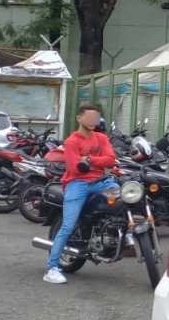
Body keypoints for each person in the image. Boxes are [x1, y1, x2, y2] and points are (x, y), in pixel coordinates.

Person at [44, 104, 118, 284]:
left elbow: (111, 159)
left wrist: (90, 160)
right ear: (80, 118)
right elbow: (76, 169)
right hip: (77, 184)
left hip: (101, 181)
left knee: (127, 199)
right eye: (89, 117)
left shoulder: (101, 138)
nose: (93, 121)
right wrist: (94, 163)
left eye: (96, 117)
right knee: (68, 225)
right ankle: (52, 268)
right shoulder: (72, 141)